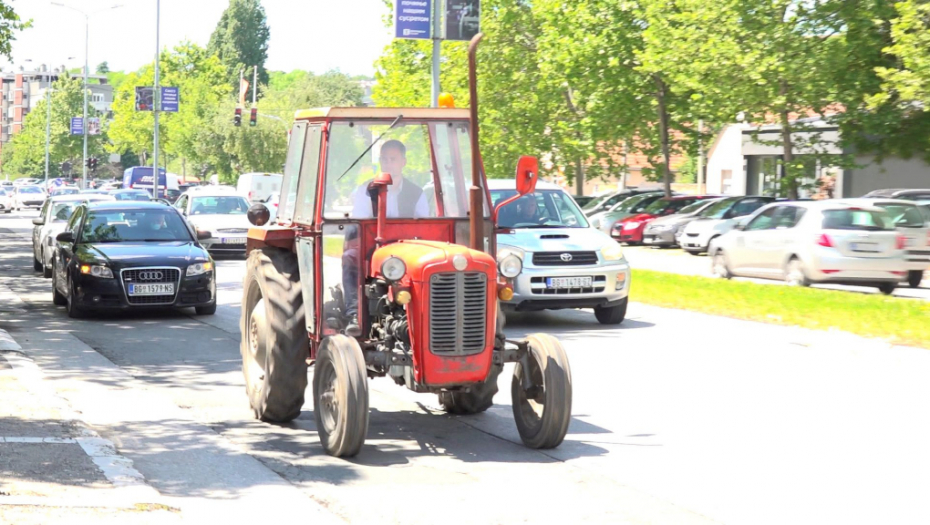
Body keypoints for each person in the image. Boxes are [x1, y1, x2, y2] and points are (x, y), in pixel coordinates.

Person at [342, 140, 429, 334]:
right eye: (385, 159)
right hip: (372, 248)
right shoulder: (365, 190)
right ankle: (354, 313)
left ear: (403, 162)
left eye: (393, 159)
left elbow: (424, 226)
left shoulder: (417, 193)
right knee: (350, 256)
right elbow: (359, 225)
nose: (388, 163)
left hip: (407, 249)